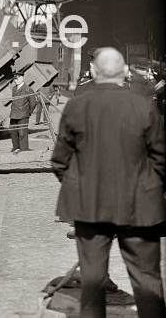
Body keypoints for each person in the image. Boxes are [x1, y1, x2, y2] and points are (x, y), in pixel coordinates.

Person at [51, 47, 166, 318]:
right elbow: (160, 158)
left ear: (93, 71)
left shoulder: (76, 106)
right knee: (147, 280)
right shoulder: (144, 106)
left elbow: (60, 161)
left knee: (92, 283)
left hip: (89, 207)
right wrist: (149, 189)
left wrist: (81, 187)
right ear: (125, 73)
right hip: (140, 207)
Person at [9, 73, 36, 153]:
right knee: (13, 132)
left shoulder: (27, 89)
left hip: (23, 114)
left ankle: (24, 150)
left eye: (17, 78)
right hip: (13, 114)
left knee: (22, 133)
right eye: (15, 79)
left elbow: (33, 102)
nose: (16, 80)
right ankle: (15, 148)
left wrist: (29, 112)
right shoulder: (14, 89)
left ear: (22, 78)